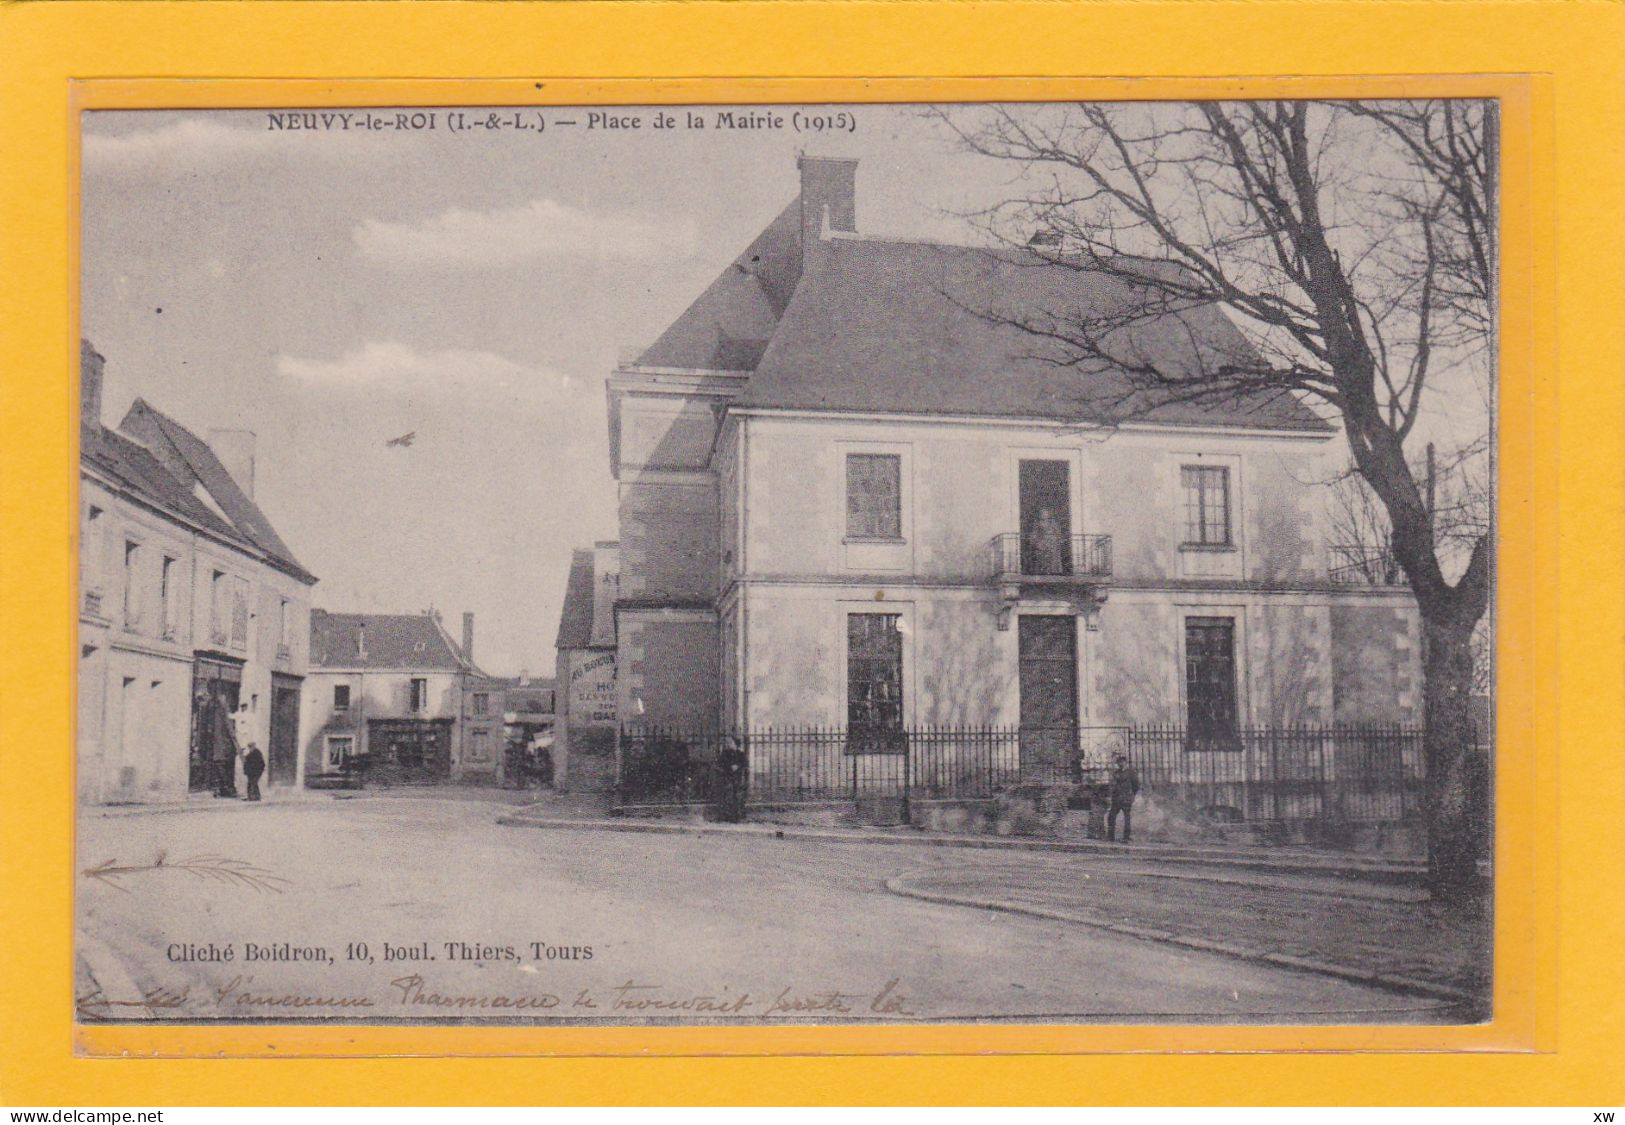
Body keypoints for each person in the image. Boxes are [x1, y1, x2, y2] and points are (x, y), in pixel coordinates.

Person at [206, 694, 239, 798]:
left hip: (218, 748)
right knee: (223, 769)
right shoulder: (223, 714)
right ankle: (225, 789)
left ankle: (219, 789)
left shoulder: (213, 713)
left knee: (219, 768)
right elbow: (230, 730)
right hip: (223, 749)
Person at [1107, 753, 1140, 842]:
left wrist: (1132, 795)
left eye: (1122, 762)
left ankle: (1126, 837)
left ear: (1125, 762)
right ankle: (1111, 837)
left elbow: (1136, 785)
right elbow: (1113, 784)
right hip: (1116, 799)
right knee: (1111, 817)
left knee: (1127, 818)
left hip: (1126, 798)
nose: (1120, 764)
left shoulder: (1131, 772)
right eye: (1118, 762)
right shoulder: (1116, 773)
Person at [716, 735, 748, 823]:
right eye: (727, 743)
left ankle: (737, 816)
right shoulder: (724, 754)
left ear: (736, 744)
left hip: (738, 778)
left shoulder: (741, 754)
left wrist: (738, 766)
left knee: (737, 797)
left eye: (731, 743)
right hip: (727, 778)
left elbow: (745, 765)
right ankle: (727, 816)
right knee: (728, 797)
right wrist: (729, 767)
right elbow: (719, 765)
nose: (728, 744)